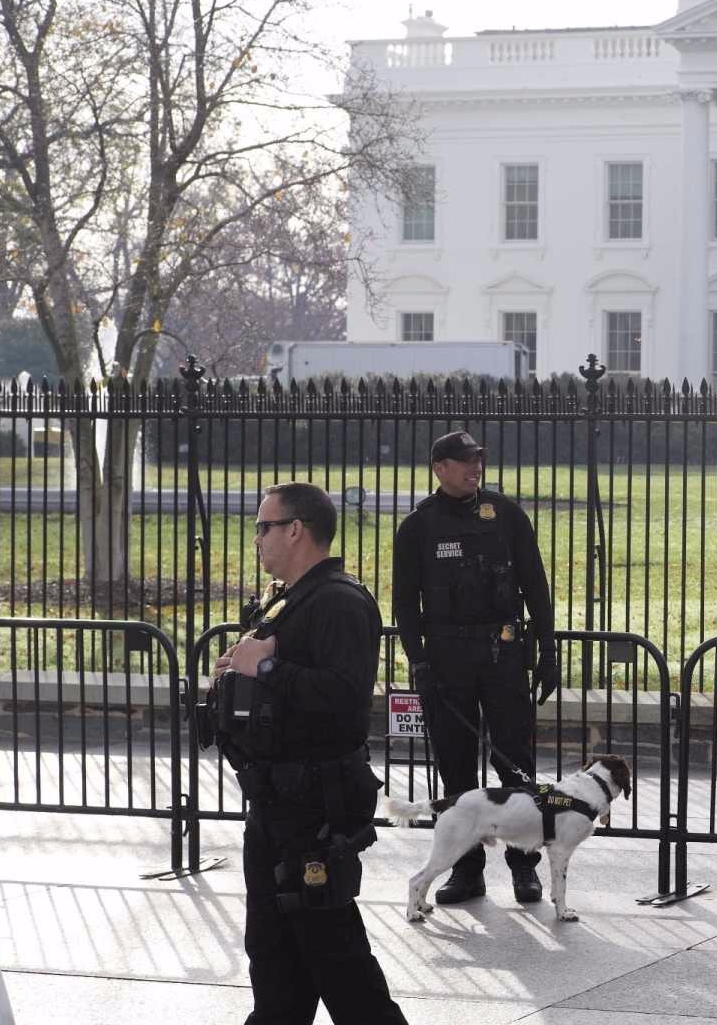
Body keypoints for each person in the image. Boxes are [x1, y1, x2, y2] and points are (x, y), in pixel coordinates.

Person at [215, 482, 406, 1024]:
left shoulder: (338, 602)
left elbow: (346, 701)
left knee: (341, 967)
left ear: (295, 529)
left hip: (312, 811)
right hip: (275, 805)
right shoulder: (290, 601)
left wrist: (267, 668)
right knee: (275, 968)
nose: (257, 539)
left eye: (263, 526)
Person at [392, 430, 559, 907]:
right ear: (439, 467)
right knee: (456, 768)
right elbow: (404, 603)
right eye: (464, 462)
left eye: (478, 460)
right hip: (446, 659)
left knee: (515, 763)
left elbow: (535, 587)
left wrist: (547, 651)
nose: (475, 468)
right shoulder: (418, 526)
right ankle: (466, 872)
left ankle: (525, 868)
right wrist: (418, 660)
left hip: (502, 654)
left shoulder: (505, 514)